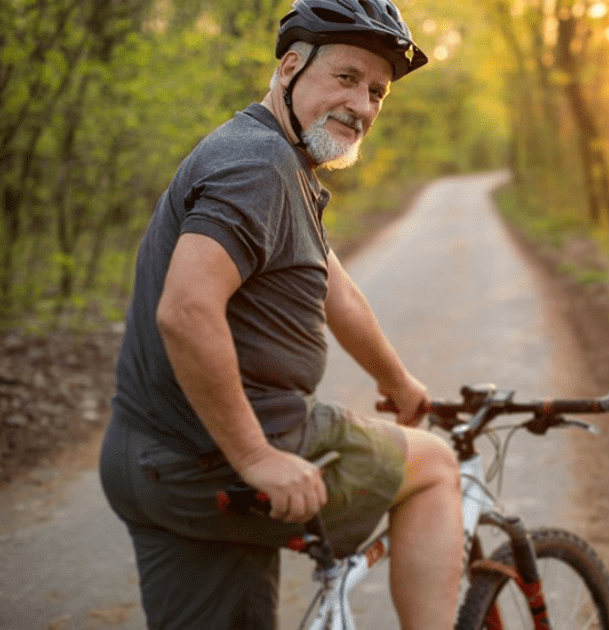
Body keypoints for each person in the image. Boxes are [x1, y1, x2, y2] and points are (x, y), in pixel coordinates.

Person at [98, 1, 463, 628]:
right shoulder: (259, 168)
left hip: (150, 462)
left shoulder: (273, 158)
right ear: (291, 67)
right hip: (216, 459)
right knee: (434, 468)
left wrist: (396, 382)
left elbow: (335, 289)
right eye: (346, 78)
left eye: (377, 92)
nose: (364, 105)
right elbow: (186, 311)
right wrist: (256, 457)